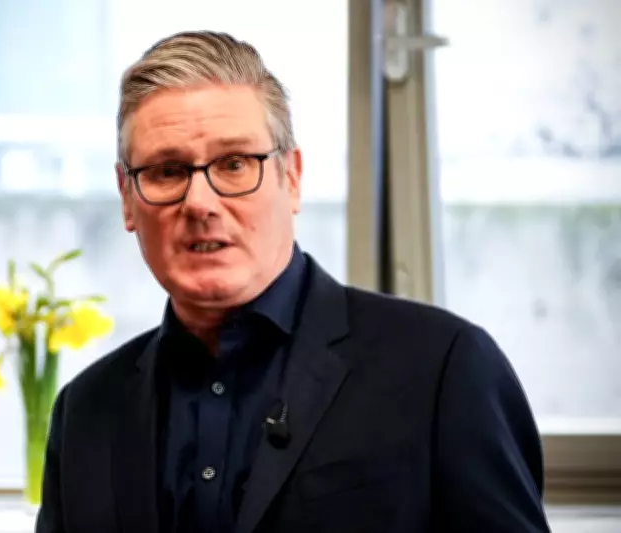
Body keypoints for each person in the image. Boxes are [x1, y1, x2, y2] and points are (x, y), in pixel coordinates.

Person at [35, 31, 550, 533]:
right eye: (167, 171)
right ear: (127, 197)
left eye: (235, 164)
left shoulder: (444, 368)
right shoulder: (85, 412)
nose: (200, 203)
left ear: (293, 177)